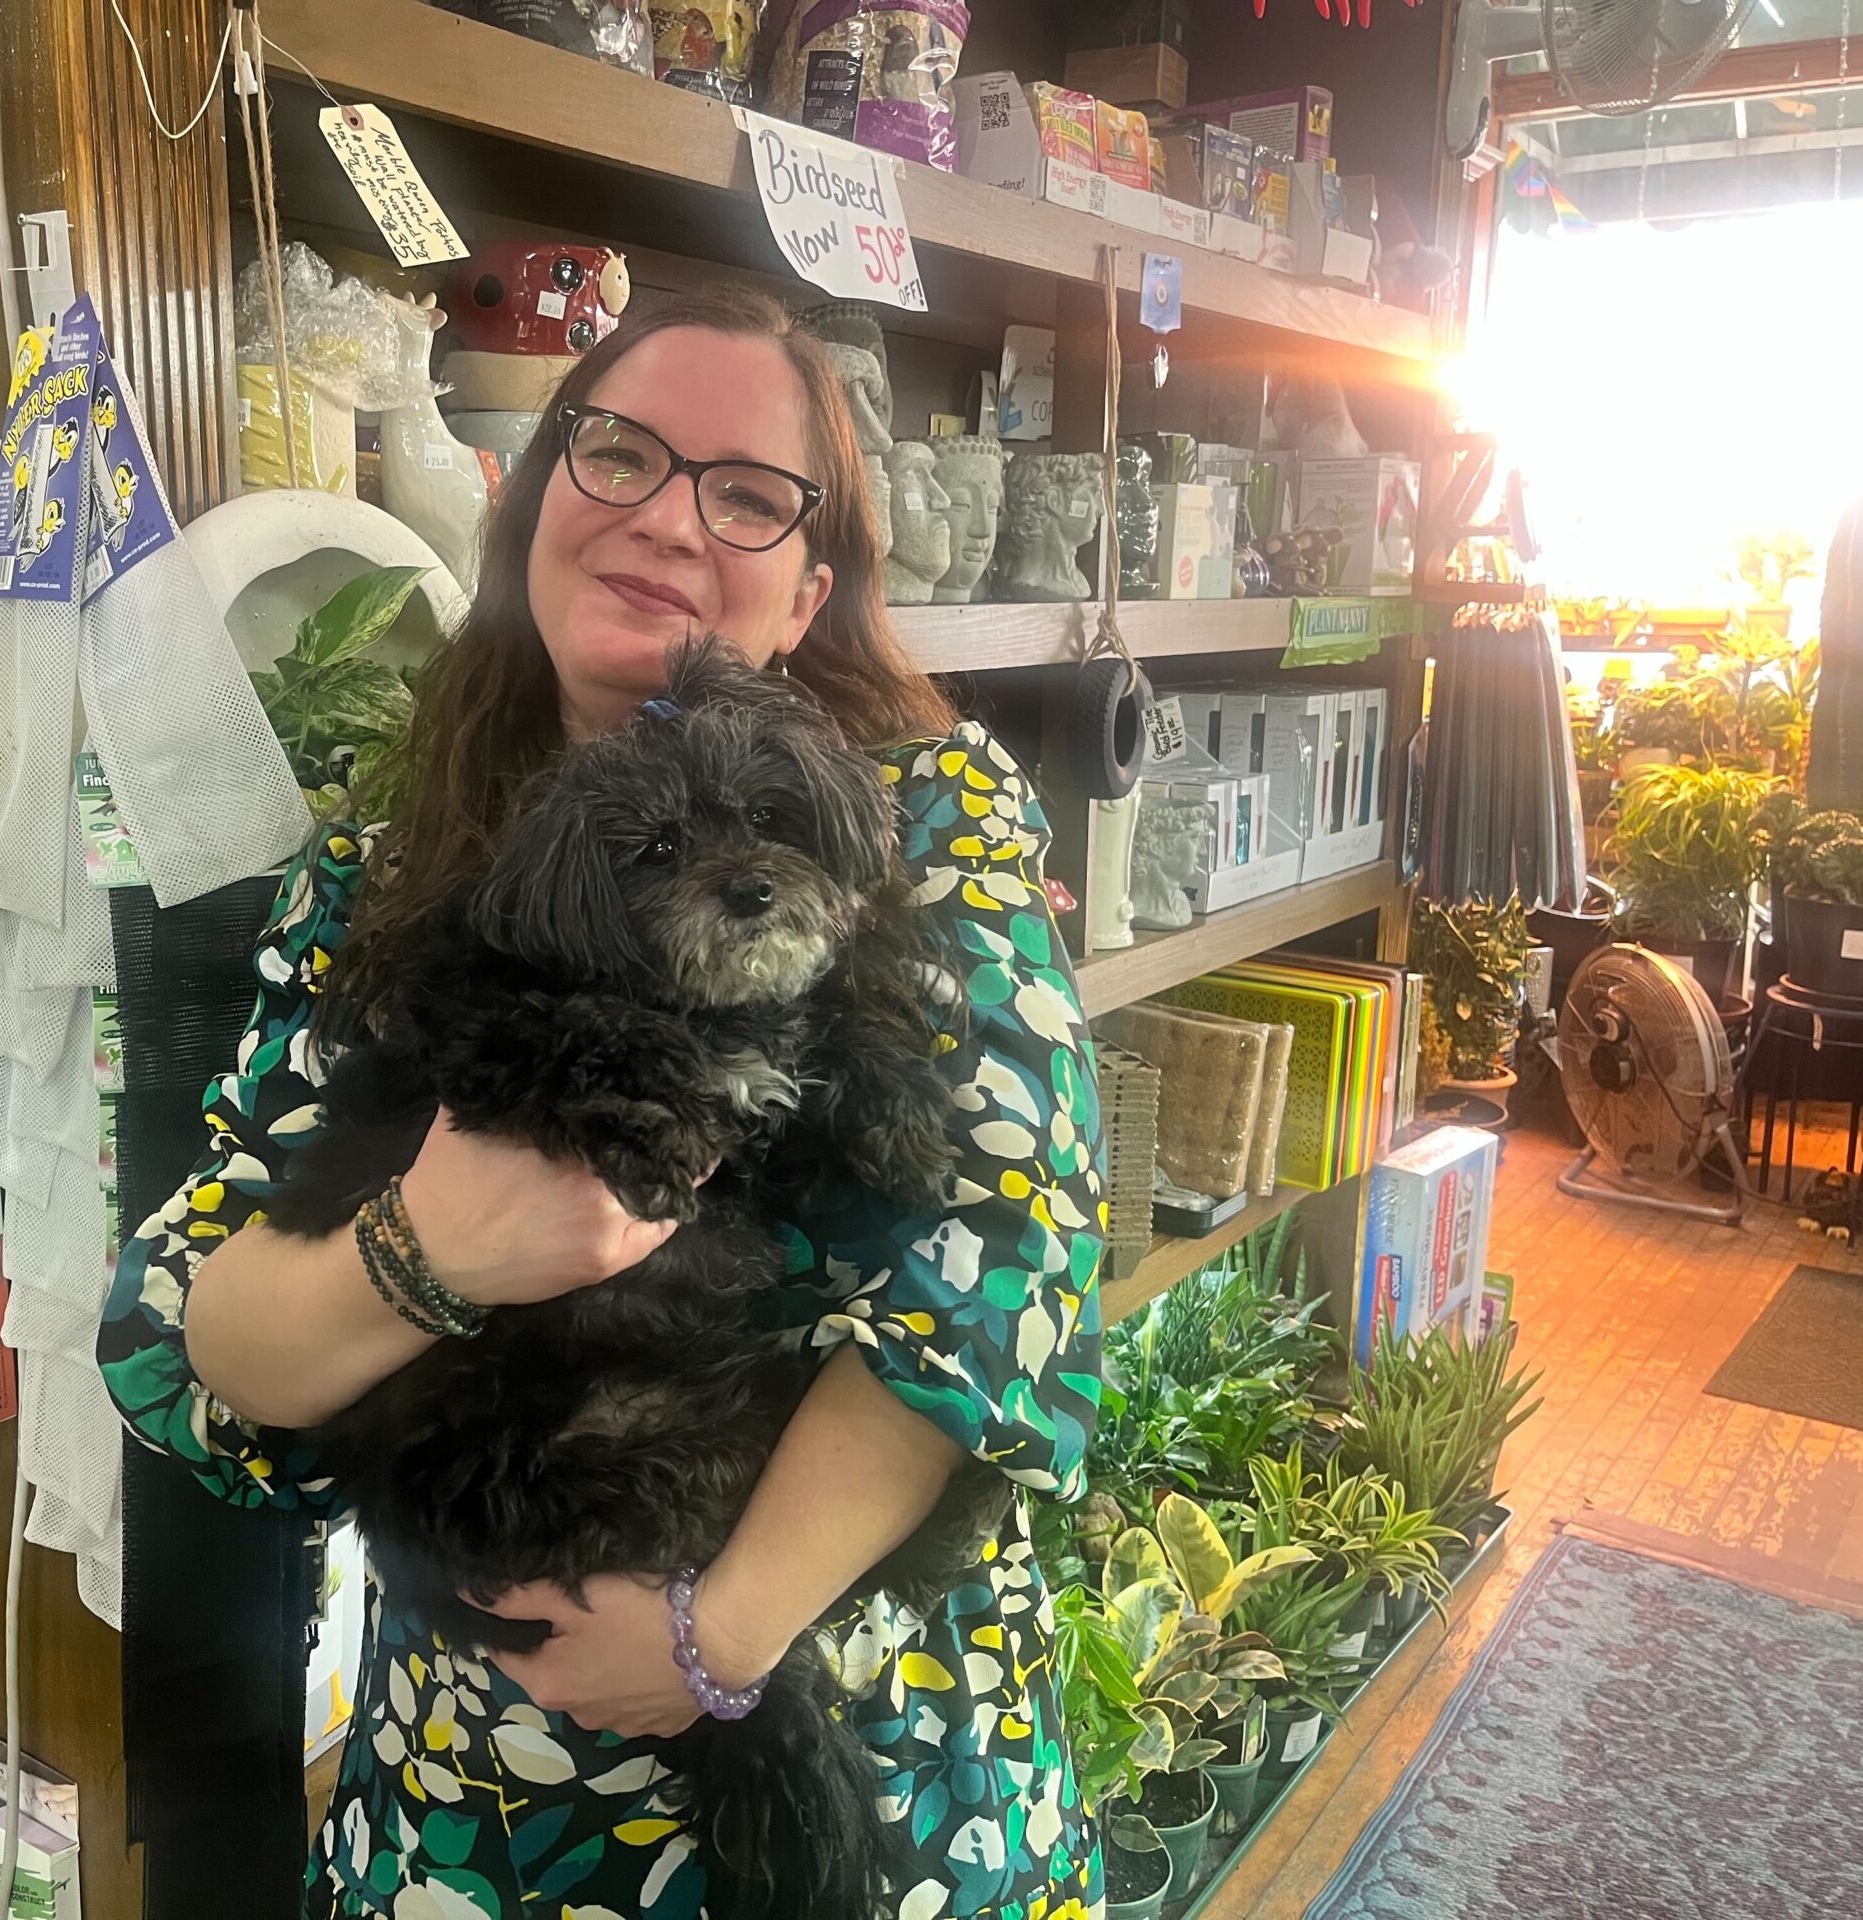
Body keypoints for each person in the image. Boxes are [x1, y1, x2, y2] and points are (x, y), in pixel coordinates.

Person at [97, 284, 1108, 1919]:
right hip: (476, 1806)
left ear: (809, 590)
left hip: (872, 1755)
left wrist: (721, 1636)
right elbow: (176, 1331)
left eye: (747, 493)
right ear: (527, 494)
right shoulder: (377, 862)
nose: (665, 518)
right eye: (619, 453)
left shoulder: (931, 818)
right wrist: (429, 1254)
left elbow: (1014, 1270)